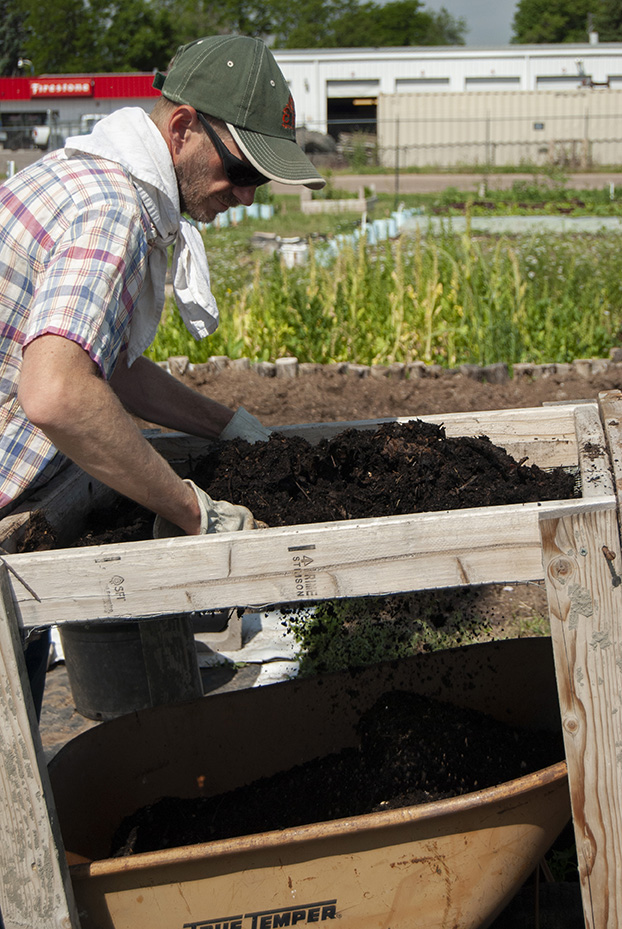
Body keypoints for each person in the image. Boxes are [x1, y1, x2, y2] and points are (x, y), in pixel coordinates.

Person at [0, 34, 325, 717]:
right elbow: (58, 392)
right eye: (242, 170)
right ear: (182, 128)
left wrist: (225, 425)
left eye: (260, 182)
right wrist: (192, 510)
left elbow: (104, 368)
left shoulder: (86, 177)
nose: (246, 194)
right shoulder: (111, 210)